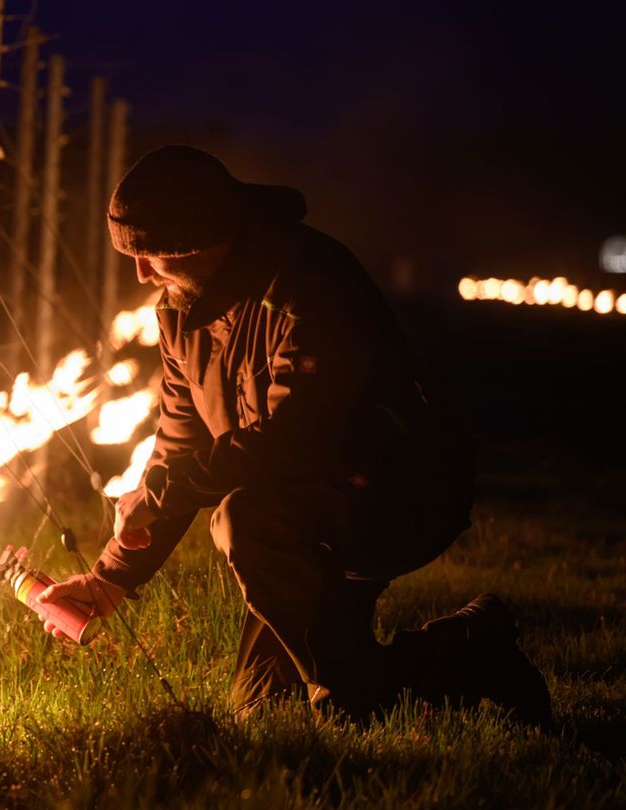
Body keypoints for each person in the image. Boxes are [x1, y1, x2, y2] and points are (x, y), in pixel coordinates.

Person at [37, 145, 551, 725]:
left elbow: (296, 440)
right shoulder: (179, 314)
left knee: (245, 522)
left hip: (393, 492)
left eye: (152, 255)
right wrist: (110, 578)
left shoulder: (312, 282)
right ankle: (469, 644)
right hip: (297, 509)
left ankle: (421, 668)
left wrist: (168, 489)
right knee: (262, 710)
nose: (141, 272)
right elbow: (179, 444)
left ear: (201, 240)